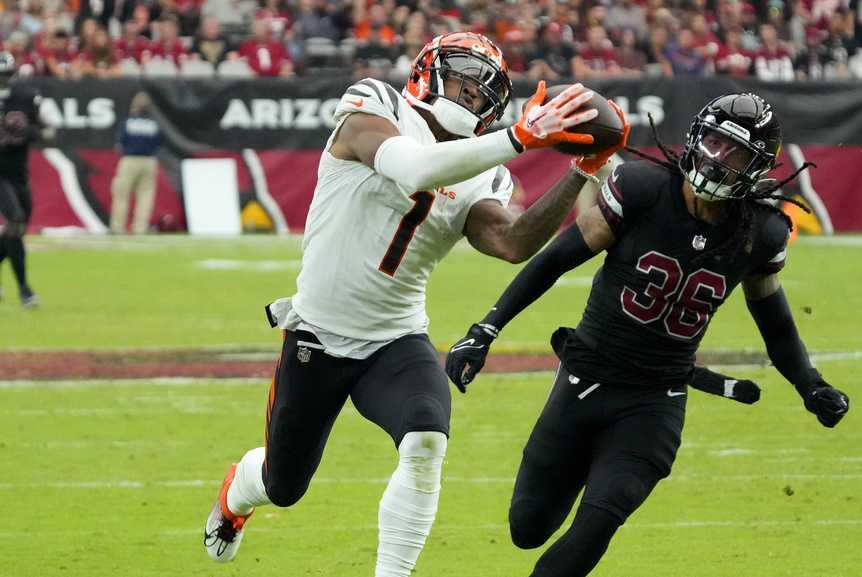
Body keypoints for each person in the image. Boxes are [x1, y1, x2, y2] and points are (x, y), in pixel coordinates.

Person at [202, 31, 630, 577]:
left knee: (427, 438)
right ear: (427, 73)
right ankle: (239, 491)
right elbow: (414, 168)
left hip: (395, 338)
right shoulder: (373, 105)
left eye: (482, 94)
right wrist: (519, 138)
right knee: (283, 486)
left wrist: (580, 172)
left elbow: (513, 242)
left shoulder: (485, 169)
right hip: (319, 333)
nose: (469, 97)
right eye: (461, 81)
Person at [446, 93, 851, 577]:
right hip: (585, 379)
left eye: (736, 152)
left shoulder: (759, 231)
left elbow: (776, 323)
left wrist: (812, 384)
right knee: (527, 527)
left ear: (757, 167)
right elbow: (554, 261)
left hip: (656, 400)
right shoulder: (642, 188)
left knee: (597, 524)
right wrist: (486, 328)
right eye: (716, 142)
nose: (719, 158)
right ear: (698, 137)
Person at [0, 52, 46, 307]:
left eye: (6, 76)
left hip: (19, 173)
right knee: (15, 221)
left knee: (17, 231)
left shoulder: (25, 97)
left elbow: (43, 130)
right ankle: (25, 290)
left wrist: (28, 130)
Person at [110, 93, 161, 234]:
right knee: (145, 196)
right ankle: (140, 228)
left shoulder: (128, 122)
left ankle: (118, 227)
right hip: (149, 161)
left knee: (121, 194)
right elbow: (158, 143)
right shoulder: (153, 124)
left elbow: (119, 145)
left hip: (130, 160)